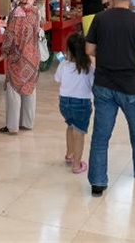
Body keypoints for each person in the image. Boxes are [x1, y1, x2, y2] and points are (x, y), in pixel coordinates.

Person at [85, 0, 135, 197]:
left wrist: (108, 57)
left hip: (104, 84)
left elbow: (89, 48)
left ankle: (97, 181)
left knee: (100, 135)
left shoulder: (100, 19)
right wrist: (133, 61)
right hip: (132, 86)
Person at [0, 0, 40, 135]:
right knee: (29, 89)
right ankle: (28, 123)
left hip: (17, 57)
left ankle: (12, 126)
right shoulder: (36, 12)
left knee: (14, 90)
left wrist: (5, 50)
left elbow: (10, 35)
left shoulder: (15, 13)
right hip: (33, 56)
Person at [55, 32, 94, 174]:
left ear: (68, 50)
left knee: (70, 126)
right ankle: (77, 165)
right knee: (80, 133)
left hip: (64, 103)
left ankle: (69, 154)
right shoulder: (88, 68)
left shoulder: (63, 65)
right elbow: (93, 85)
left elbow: (57, 79)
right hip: (81, 103)